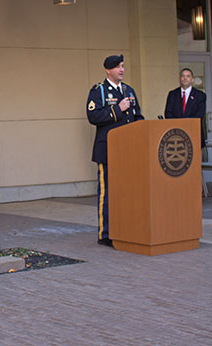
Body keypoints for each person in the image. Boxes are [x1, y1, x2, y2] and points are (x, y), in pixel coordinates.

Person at [86, 54, 143, 247]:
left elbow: (138, 117)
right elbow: (94, 116)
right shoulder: (99, 91)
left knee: (127, 192)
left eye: (123, 66)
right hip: (108, 150)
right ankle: (106, 233)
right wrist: (118, 109)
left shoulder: (129, 90)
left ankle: (125, 228)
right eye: (118, 67)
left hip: (128, 151)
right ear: (108, 70)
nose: (122, 70)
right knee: (107, 192)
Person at [164, 68, 207, 147]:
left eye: (188, 76)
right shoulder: (172, 94)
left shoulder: (200, 95)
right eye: (183, 76)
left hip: (193, 134)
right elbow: (168, 113)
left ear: (192, 79)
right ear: (179, 79)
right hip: (176, 136)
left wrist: (186, 125)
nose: (185, 78)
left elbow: (200, 114)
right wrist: (178, 126)